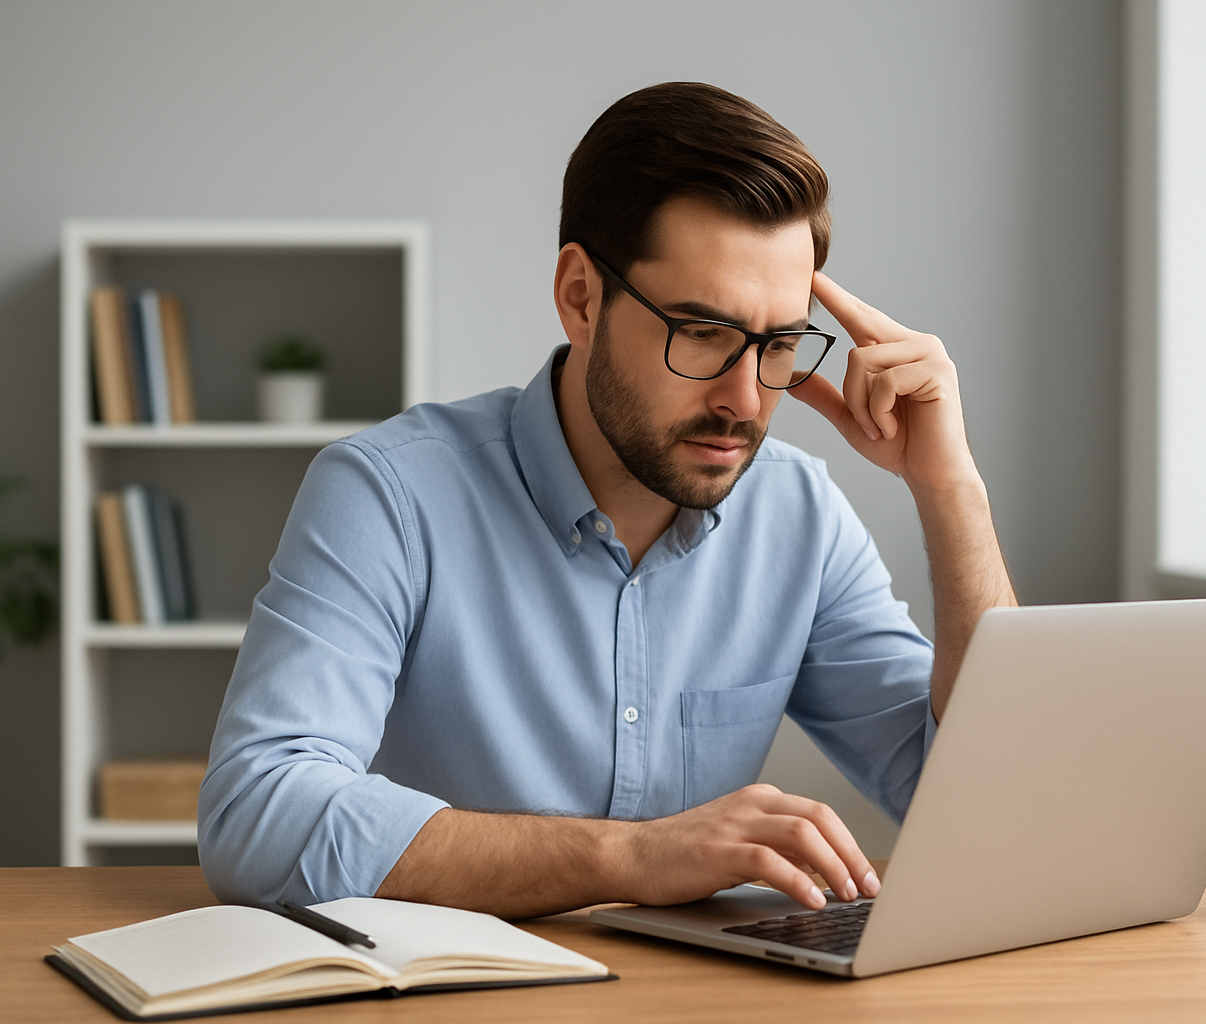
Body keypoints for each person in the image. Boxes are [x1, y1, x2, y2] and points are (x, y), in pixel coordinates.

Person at [199, 82, 1015, 918]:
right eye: (702, 332)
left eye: (778, 344)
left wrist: (951, 491)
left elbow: (992, 818)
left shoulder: (799, 519)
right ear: (581, 297)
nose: (745, 398)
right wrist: (629, 857)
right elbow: (257, 812)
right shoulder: (389, 496)